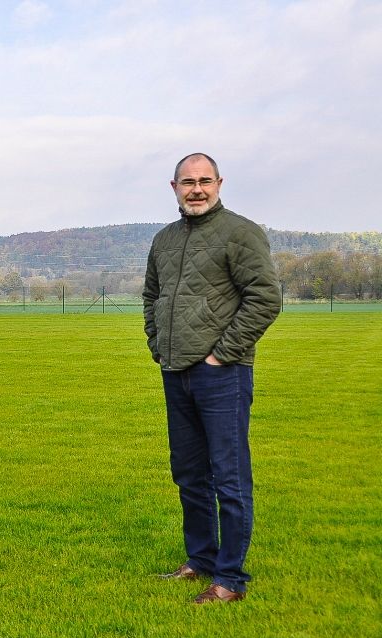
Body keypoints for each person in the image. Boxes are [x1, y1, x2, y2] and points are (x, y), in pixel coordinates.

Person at [142, 153, 281, 603]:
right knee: (188, 474)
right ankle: (200, 559)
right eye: (188, 182)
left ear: (219, 183)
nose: (196, 189)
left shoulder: (240, 233)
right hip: (175, 370)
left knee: (230, 476)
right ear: (174, 186)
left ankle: (230, 579)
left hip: (223, 375)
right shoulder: (164, 240)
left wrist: (222, 355)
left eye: (205, 181)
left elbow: (264, 298)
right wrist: (158, 345)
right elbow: (152, 296)